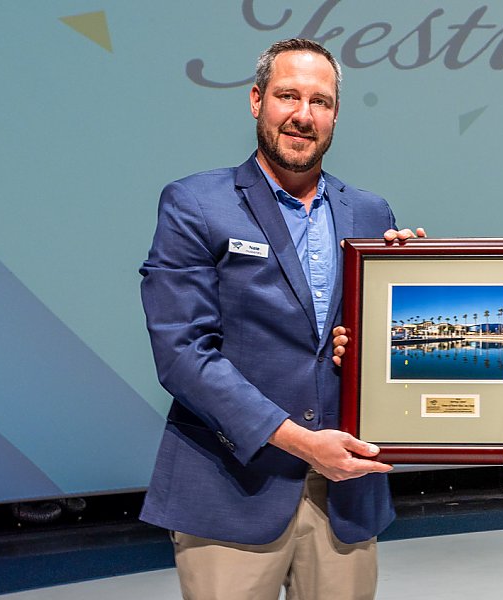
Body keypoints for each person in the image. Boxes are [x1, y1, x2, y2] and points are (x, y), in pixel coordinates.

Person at [139, 38, 421, 600]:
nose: (303, 115)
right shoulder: (196, 203)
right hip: (232, 487)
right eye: (287, 96)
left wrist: (413, 289)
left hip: (343, 492)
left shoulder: (370, 212)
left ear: (336, 113)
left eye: (320, 101)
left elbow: (372, 343)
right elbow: (183, 353)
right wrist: (299, 441)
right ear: (255, 100)